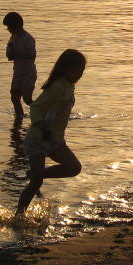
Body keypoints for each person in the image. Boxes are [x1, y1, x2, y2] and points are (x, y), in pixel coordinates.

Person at [15, 49, 87, 217]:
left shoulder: (69, 86)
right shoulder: (57, 86)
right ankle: (18, 216)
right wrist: (39, 123)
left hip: (55, 141)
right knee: (36, 183)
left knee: (74, 168)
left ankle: (34, 174)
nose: (80, 75)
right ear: (65, 69)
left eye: (82, 72)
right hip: (38, 139)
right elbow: (36, 106)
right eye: (77, 71)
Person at [4, 12, 36, 118]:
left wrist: (17, 53)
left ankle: (40, 110)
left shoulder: (28, 38)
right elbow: (11, 56)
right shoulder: (13, 38)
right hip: (17, 72)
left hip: (28, 73)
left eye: (9, 27)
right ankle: (20, 117)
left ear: (16, 26)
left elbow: (32, 55)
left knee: (27, 98)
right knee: (14, 98)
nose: (8, 30)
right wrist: (10, 54)